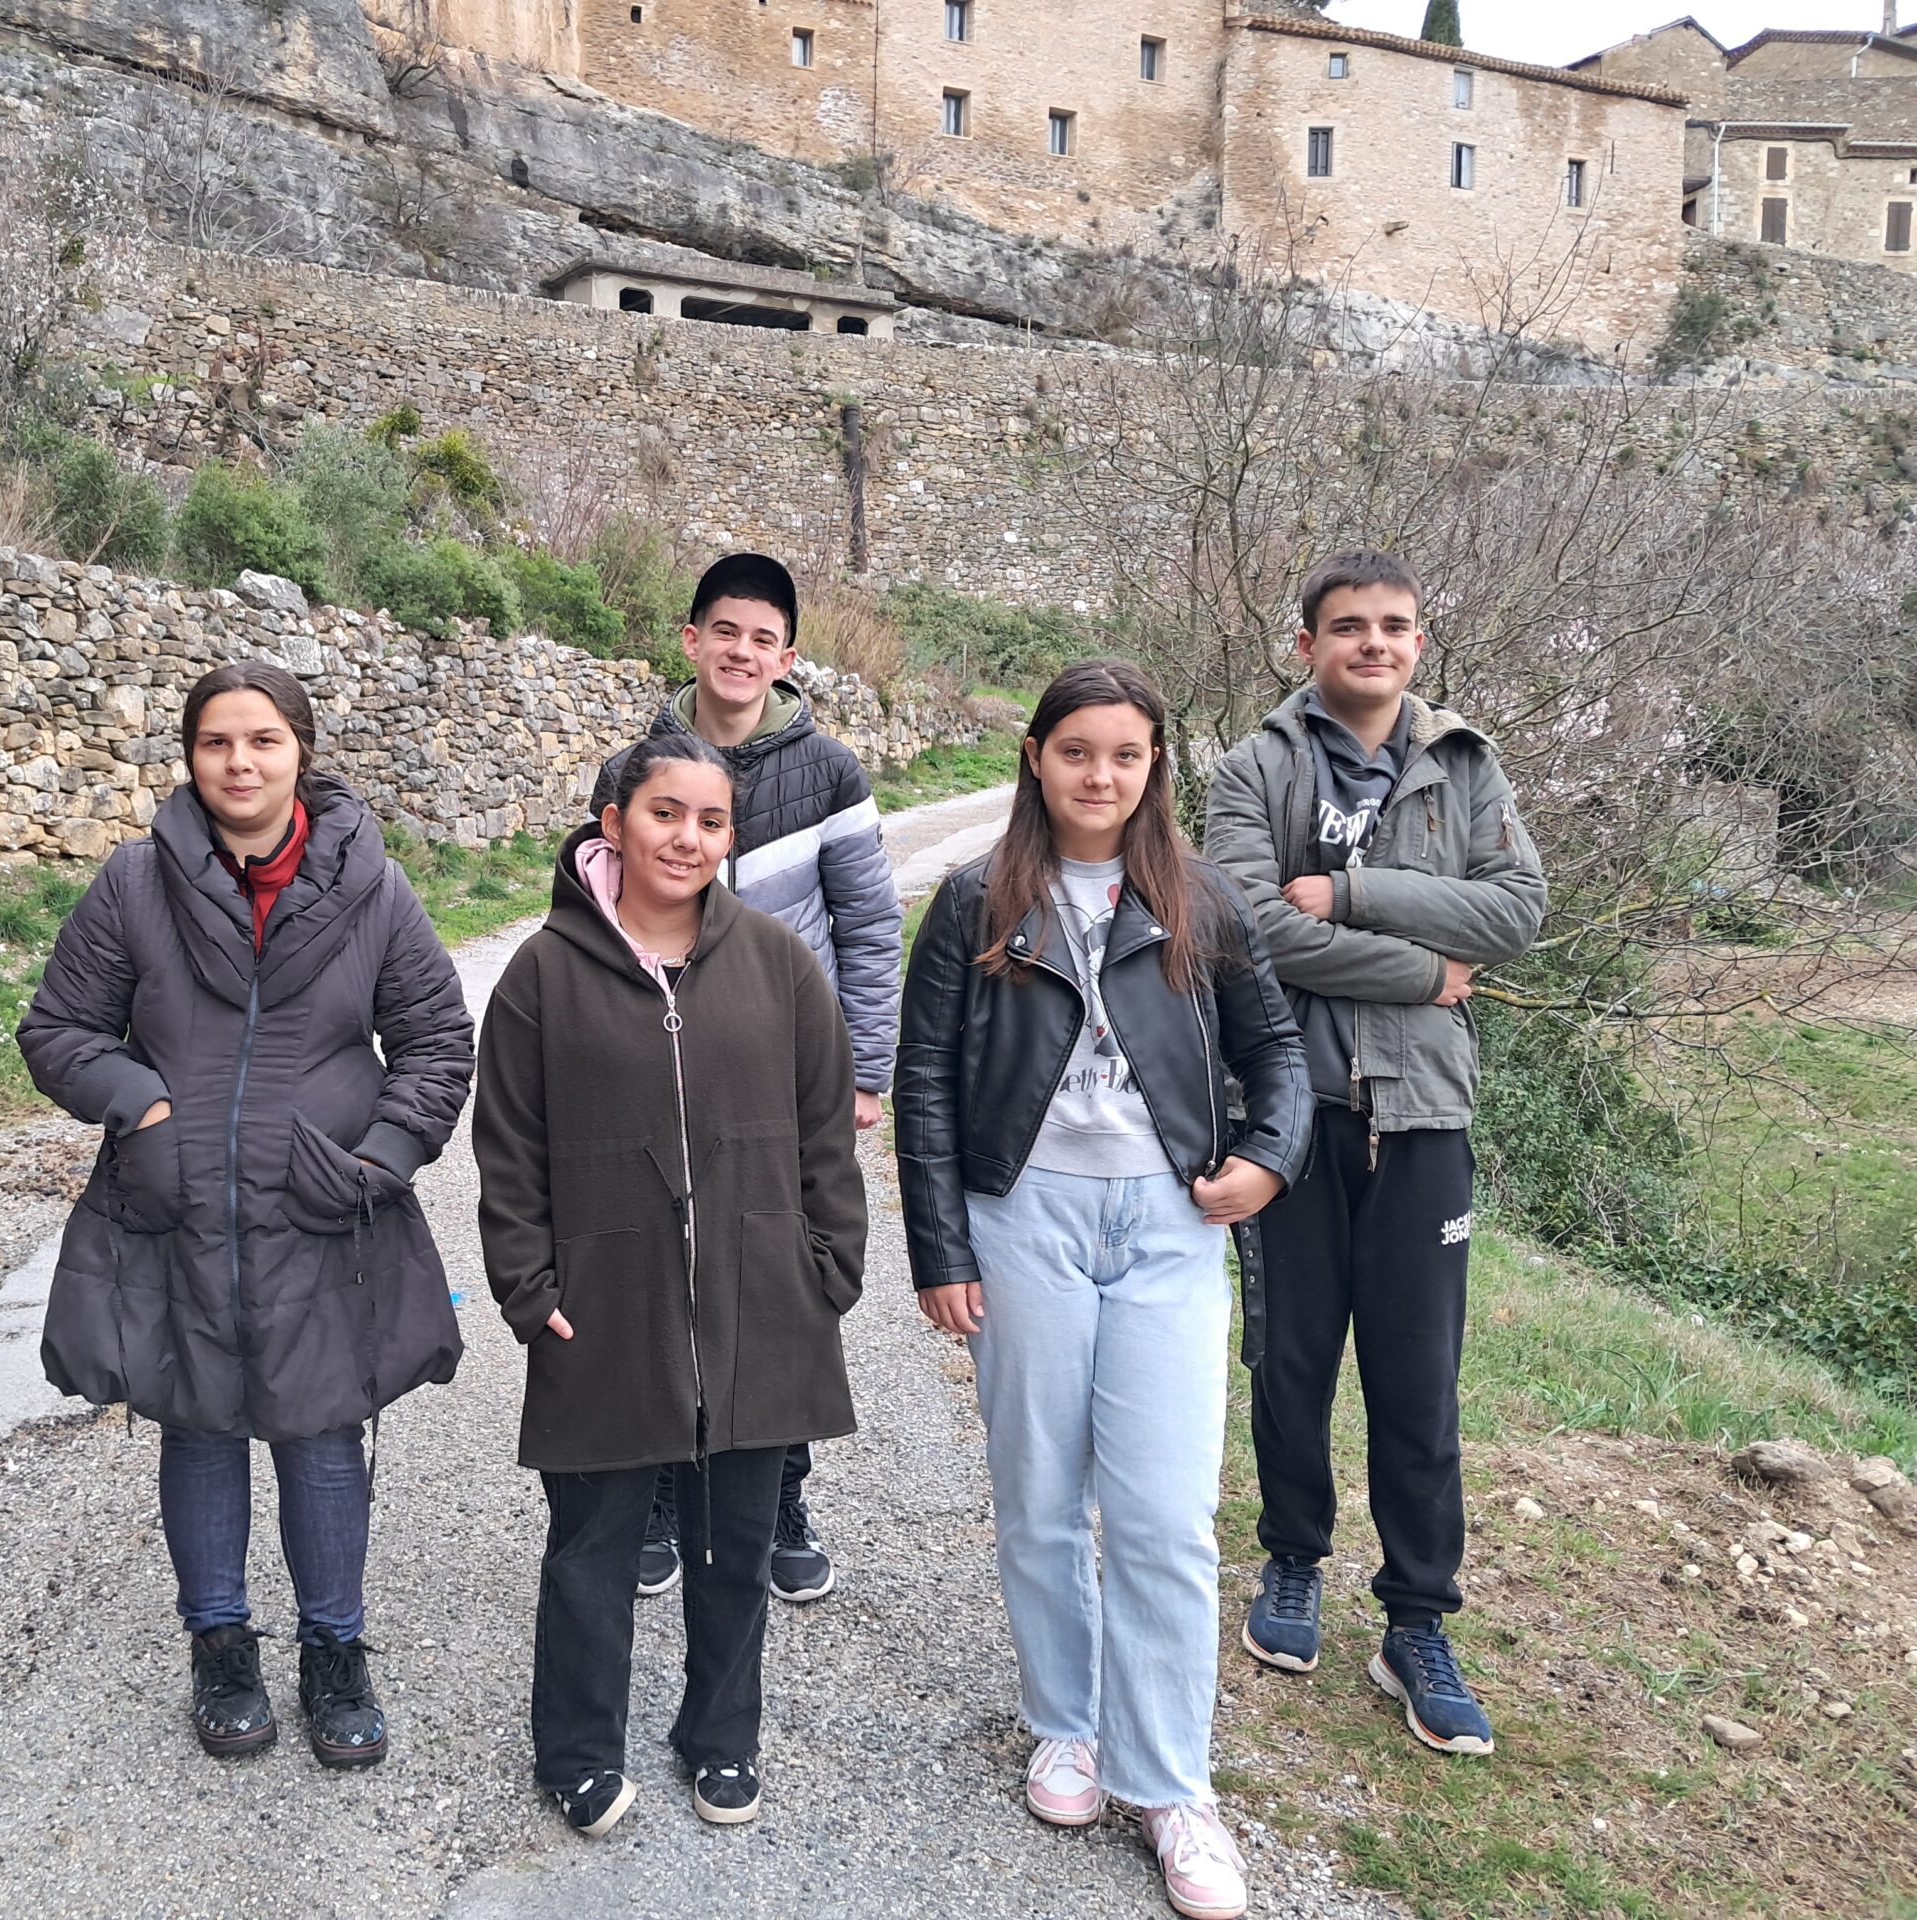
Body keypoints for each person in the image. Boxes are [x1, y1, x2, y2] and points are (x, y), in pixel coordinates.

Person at [897, 660, 1309, 1920]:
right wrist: (941, 1250)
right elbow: (920, 1081)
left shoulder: (1201, 901)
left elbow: (1273, 1051)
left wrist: (1270, 1159)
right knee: (1036, 1492)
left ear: (1153, 769)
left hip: (1168, 1227)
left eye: (1125, 756)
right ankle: (1065, 1726)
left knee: (1165, 1515)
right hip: (1022, 1218)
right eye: (1076, 751)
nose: (1099, 776)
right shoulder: (977, 901)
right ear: (1036, 758)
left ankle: (1170, 1781)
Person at [18, 660, 473, 1771]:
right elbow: (59, 1030)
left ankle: (335, 1652)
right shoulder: (134, 884)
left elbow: (434, 1042)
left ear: (299, 752)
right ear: (190, 757)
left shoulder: (373, 886)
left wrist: (378, 1155)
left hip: (324, 1209)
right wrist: (142, 1107)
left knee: (322, 1436)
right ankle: (218, 1644)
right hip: (175, 1207)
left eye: (262, 741)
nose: (240, 763)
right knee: (200, 1424)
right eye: (218, 742)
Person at [477, 733, 867, 1838]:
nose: (686, 837)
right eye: (663, 814)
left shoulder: (778, 963)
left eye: (709, 820)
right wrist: (525, 1283)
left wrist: (829, 1264)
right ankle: (576, 1750)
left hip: (759, 1301)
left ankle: (721, 1735)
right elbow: (506, 1150)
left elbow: (823, 1132)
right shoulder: (540, 977)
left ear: (729, 835)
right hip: (602, 1305)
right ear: (613, 821)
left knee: (734, 1544)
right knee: (593, 1545)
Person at [1204, 550, 1546, 1759]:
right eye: (1347, 626)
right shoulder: (1254, 766)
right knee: (1288, 1361)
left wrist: (1348, 898)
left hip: (1423, 1115)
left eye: (1394, 626)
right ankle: (1291, 1563)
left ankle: (1415, 1621)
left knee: (1416, 1381)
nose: (1374, 644)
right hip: (1289, 1111)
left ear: (1419, 639)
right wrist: (1421, 970)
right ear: (1306, 646)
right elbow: (1239, 924)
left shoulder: (1464, 763)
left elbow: (1514, 911)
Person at [590, 551, 898, 1606]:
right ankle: (667, 1495)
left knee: (783, 1291)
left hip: (784, 1073)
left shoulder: (832, 771)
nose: (741, 653)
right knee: (663, 1278)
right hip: (656, 1069)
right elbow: (589, 924)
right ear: (691, 640)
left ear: (787, 656)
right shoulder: (633, 768)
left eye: (762, 638)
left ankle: (778, 1496)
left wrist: (864, 1069)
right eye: (725, 631)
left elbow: (865, 922)